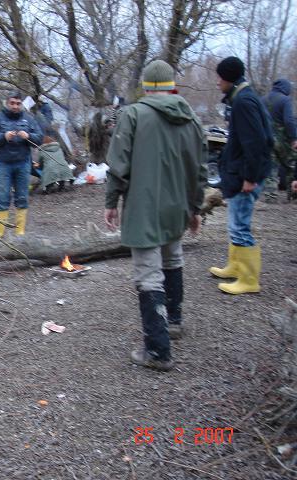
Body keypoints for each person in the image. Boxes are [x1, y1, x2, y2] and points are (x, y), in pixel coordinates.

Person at [104, 59, 206, 371]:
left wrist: (111, 201)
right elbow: (199, 170)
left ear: (146, 86)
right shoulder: (191, 119)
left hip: (145, 207)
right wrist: (195, 207)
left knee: (149, 273)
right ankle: (173, 321)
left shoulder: (133, 114)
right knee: (172, 259)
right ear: (172, 86)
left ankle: (158, 351)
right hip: (177, 206)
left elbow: (118, 165)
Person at [209, 56, 273, 294]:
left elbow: (255, 143)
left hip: (245, 176)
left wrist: (250, 177)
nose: (217, 82)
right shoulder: (243, 98)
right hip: (241, 173)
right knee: (235, 224)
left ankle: (248, 279)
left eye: (219, 77)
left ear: (228, 78)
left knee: (240, 227)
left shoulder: (244, 102)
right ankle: (235, 266)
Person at [0, 91, 43, 237]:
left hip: (23, 164)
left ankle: (20, 234)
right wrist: (3, 136)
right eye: (12, 103)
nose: (15, 106)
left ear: (21, 104)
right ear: (7, 103)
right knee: (3, 198)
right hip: (3, 164)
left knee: (22, 198)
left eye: (18, 103)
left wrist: (28, 136)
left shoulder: (29, 119)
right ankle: (1, 235)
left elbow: (40, 138)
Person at [262, 79, 297, 202]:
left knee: (271, 166)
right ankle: (293, 194)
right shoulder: (285, 100)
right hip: (282, 140)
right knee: (291, 165)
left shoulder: (263, 99)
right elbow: (289, 120)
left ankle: (270, 196)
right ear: (285, 88)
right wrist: (294, 138)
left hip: (266, 138)